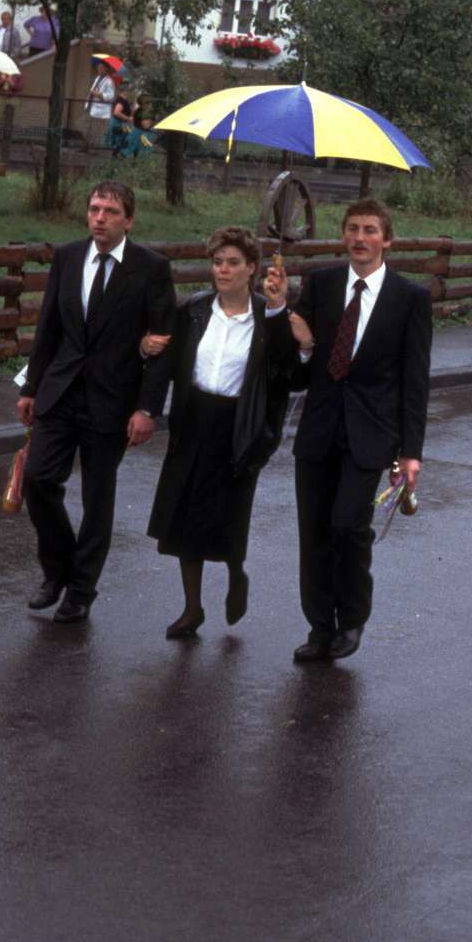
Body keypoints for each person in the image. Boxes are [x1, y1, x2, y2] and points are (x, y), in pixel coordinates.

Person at [17, 181, 178, 624]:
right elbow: (49, 326)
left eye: (110, 211)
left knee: (97, 498)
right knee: (38, 480)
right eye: (94, 209)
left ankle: (81, 590)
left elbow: (163, 344)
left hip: (113, 401)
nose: (100, 218)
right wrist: (30, 387)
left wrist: (147, 409)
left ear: (129, 220)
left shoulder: (151, 268)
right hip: (61, 391)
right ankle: (57, 570)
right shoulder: (68, 257)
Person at [280, 199, 432, 663]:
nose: (359, 238)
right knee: (314, 533)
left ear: (387, 239)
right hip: (319, 429)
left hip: (371, 434)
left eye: (369, 230)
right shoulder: (321, 284)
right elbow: (296, 375)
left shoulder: (410, 298)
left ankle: (351, 618)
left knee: (348, 525)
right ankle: (319, 627)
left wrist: (410, 451)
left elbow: (415, 381)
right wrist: (303, 346)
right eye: (352, 229)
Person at [143, 227, 298, 639]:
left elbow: (288, 372)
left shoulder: (266, 317)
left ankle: (235, 572)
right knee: (184, 515)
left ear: (252, 269)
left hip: (240, 425)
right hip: (193, 419)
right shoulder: (194, 310)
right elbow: (166, 360)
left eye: (233, 263)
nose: (223, 270)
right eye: (217, 262)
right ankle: (192, 608)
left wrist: (281, 313)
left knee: (228, 513)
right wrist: (145, 348)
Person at [85, 61, 116, 147]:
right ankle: (86, 146)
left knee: (96, 131)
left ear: (106, 69)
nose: (99, 69)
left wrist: (99, 94)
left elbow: (111, 96)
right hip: (92, 106)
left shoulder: (109, 81)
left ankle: (94, 148)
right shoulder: (97, 78)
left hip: (101, 111)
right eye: (98, 67)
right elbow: (93, 90)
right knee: (88, 129)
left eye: (101, 67)